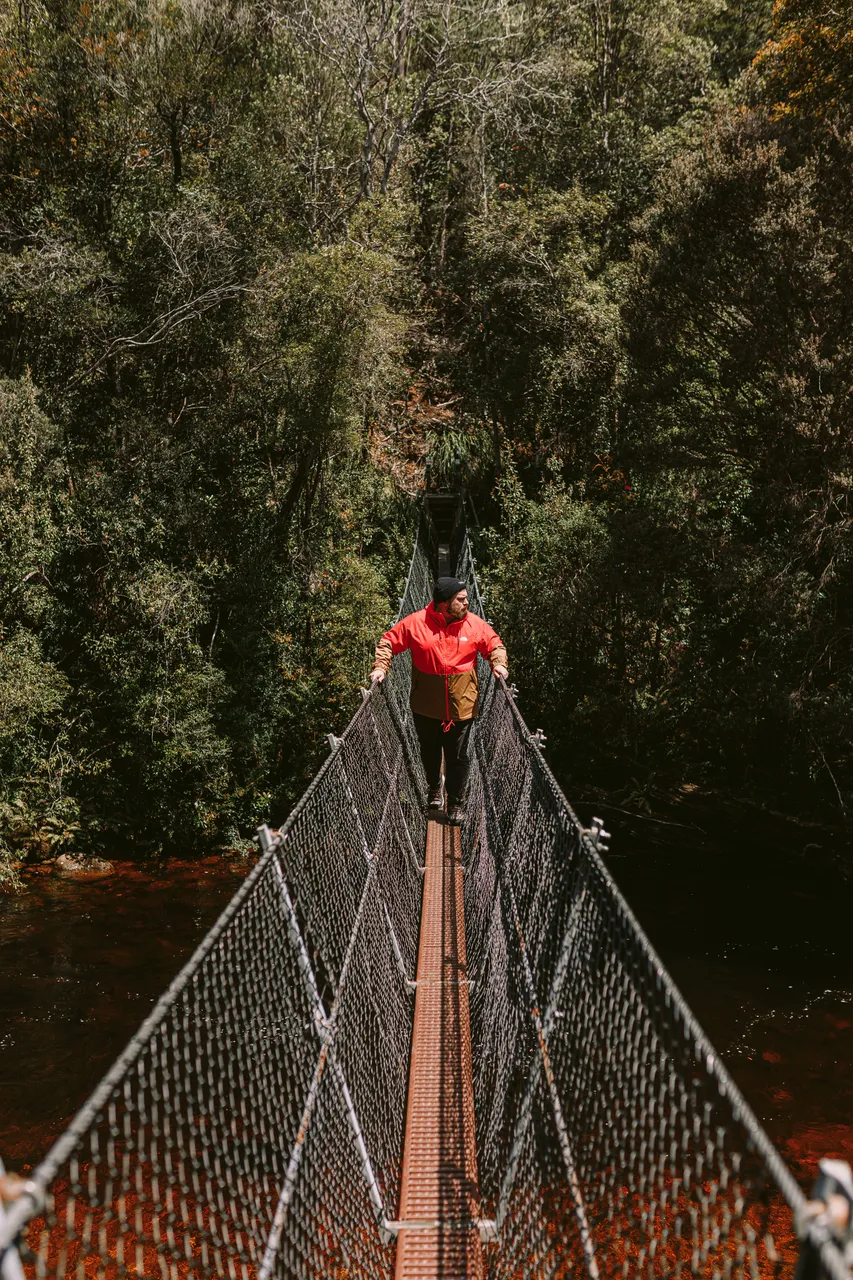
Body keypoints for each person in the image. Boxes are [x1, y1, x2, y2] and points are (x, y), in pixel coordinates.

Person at [370, 577, 508, 824]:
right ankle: (435, 786)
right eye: (461, 599)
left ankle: (456, 802)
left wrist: (498, 665)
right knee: (429, 751)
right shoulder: (416, 623)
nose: (467, 602)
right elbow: (388, 641)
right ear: (445, 603)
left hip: (461, 706)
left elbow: (494, 644)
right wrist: (381, 668)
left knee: (457, 757)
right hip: (425, 705)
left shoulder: (474, 624)